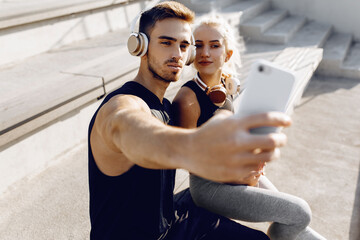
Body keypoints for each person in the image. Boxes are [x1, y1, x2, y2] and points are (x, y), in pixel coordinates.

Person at [88, 2, 292, 239]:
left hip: (169, 219)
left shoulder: (166, 105)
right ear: (140, 46)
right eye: (166, 42)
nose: (177, 53)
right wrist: (192, 145)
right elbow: (133, 130)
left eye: (184, 45)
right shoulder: (121, 106)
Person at [172, 15, 326, 240]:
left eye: (214, 46)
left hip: (236, 168)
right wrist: (237, 176)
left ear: (228, 54)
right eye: (198, 45)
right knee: (300, 212)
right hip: (209, 187)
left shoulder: (225, 85)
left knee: (294, 216)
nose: (205, 52)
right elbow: (187, 161)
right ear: (191, 53)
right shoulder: (187, 99)